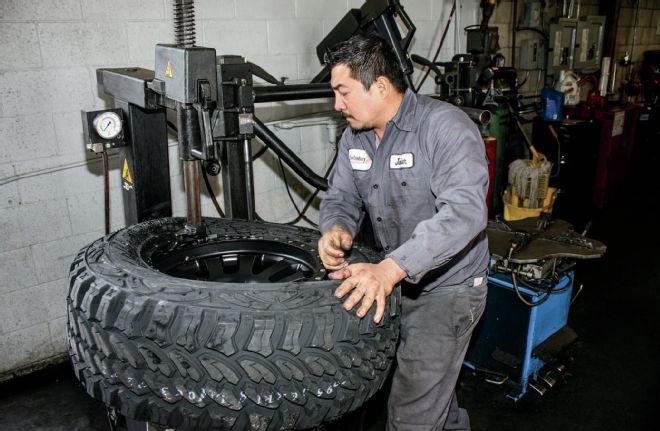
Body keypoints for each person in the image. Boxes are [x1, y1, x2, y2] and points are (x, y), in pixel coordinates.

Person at [318, 32, 490, 431]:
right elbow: (340, 195)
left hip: (450, 288)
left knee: (411, 411)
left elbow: (465, 212)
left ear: (379, 86)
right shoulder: (354, 138)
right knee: (433, 396)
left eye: (343, 92)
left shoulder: (445, 128)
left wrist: (392, 268)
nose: (336, 105)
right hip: (397, 277)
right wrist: (336, 229)